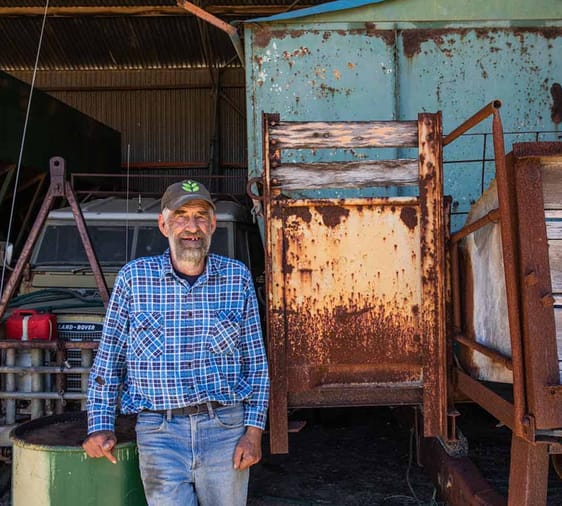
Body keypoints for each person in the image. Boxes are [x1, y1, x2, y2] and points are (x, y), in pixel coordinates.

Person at [83, 179, 270, 506]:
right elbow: (109, 359)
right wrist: (99, 425)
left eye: (200, 216)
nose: (192, 227)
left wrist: (253, 433)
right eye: (181, 216)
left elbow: (256, 363)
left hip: (225, 429)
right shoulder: (134, 279)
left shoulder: (236, 278)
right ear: (163, 224)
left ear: (213, 224)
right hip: (159, 432)